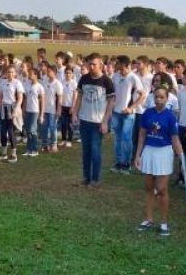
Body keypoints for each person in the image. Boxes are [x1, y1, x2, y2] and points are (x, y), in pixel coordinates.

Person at [133, 85, 185, 236]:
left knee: (162, 189)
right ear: (153, 98)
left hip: (164, 153)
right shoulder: (147, 113)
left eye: (162, 97)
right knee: (149, 188)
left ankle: (164, 222)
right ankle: (149, 219)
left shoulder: (170, 116)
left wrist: (182, 158)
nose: (159, 100)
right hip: (149, 151)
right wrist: (138, 155)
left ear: (167, 98)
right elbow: (142, 135)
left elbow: (175, 140)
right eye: (156, 97)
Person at [72, 53, 115, 189]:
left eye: (94, 64)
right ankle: (86, 178)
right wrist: (75, 113)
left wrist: (105, 121)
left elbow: (111, 102)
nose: (91, 67)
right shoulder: (83, 79)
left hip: (97, 122)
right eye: (89, 64)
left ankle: (95, 180)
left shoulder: (106, 81)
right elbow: (79, 97)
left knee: (95, 151)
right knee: (86, 151)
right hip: (84, 120)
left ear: (101, 64)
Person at [110, 55, 146, 174]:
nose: (115, 65)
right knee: (118, 139)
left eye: (117, 63)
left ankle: (126, 164)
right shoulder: (115, 76)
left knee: (126, 139)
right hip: (116, 112)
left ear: (124, 64)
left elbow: (143, 95)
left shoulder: (133, 78)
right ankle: (118, 162)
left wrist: (132, 108)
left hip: (127, 114)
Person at [0, 65, 24, 163]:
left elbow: (20, 98)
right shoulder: (3, 82)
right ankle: (4, 152)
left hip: (12, 108)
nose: (10, 74)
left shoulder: (17, 83)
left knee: (11, 131)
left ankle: (13, 153)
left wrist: (16, 109)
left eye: (12, 72)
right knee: (3, 131)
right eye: (9, 72)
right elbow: (0, 96)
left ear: (15, 73)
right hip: (3, 108)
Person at [23, 68, 44, 157]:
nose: (29, 75)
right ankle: (29, 149)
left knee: (33, 130)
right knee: (28, 131)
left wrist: (41, 114)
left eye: (31, 74)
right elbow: (25, 99)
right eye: (29, 74)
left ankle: (35, 150)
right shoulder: (27, 86)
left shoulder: (39, 87)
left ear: (36, 75)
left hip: (35, 111)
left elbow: (42, 101)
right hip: (27, 111)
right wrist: (23, 109)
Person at [41, 65, 63, 153]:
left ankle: (54, 144)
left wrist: (58, 110)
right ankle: (45, 144)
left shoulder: (58, 84)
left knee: (53, 127)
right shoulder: (45, 81)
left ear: (54, 73)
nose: (47, 73)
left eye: (49, 71)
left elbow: (60, 98)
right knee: (44, 127)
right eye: (47, 71)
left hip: (53, 110)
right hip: (44, 109)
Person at [59, 66, 78, 148]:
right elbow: (60, 95)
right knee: (63, 124)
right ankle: (63, 139)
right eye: (66, 73)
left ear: (72, 74)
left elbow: (75, 96)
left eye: (69, 73)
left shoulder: (74, 83)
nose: (68, 74)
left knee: (70, 124)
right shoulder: (62, 82)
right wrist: (59, 106)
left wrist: (73, 106)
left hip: (71, 106)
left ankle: (69, 140)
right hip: (63, 106)